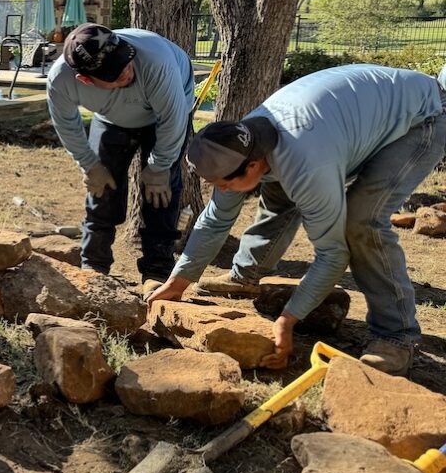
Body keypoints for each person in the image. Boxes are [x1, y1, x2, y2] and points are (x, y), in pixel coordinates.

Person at [147, 64, 446, 377]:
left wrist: (288, 320)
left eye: (223, 183)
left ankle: (396, 335)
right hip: (354, 117)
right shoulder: (242, 142)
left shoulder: (305, 165)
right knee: (278, 191)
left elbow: (332, 256)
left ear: (251, 165)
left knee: (361, 222)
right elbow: (217, 217)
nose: (221, 190)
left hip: (423, 117)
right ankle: (245, 277)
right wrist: (178, 281)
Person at [46, 23, 196, 282]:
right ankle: (94, 268)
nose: (127, 72)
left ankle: (157, 272)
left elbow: (172, 121)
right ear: (84, 79)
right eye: (115, 73)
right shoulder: (61, 80)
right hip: (110, 118)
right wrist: (89, 165)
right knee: (101, 192)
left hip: (164, 116)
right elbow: (67, 125)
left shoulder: (155, 61)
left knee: (161, 194)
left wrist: (159, 168)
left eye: (126, 61)